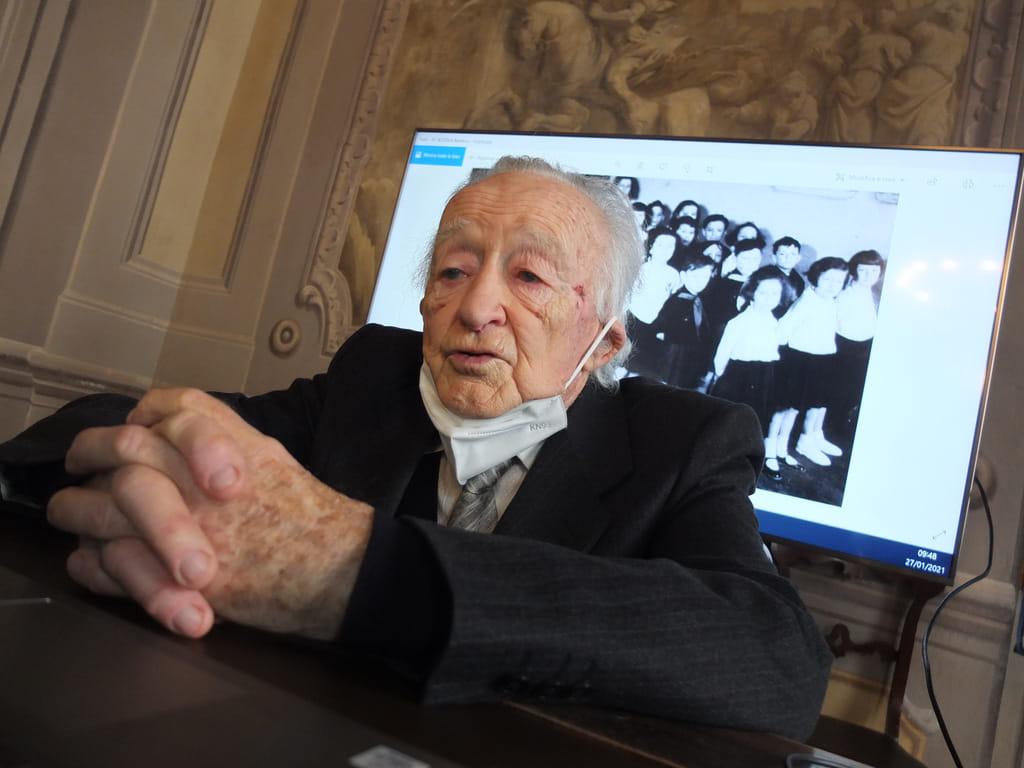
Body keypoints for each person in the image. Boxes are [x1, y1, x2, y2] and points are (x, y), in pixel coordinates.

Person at [0, 157, 830, 739]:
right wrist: (149, 466)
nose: (476, 309)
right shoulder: (375, 378)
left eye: (530, 279)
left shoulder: (679, 445)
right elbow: (103, 423)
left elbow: (775, 662)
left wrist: (356, 568)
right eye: (452, 270)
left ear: (604, 343)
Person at [711, 268, 791, 479]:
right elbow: (723, 352)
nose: (768, 299)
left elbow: (778, 346)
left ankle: (746, 456)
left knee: (758, 416)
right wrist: (720, 375)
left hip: (765, 374)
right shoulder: (739, 321)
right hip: (739, 375)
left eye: (775, 294)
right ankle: (721, 457)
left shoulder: (775, 322)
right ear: (752, 292)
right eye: (763, 293)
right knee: (733, 418)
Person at [776, 257, 849, 467]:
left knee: (819, 403)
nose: (832, 286)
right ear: (817, 277)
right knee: (793, 407)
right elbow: (782, 330)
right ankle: (785, 446)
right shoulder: (807, 301)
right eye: (827, 279)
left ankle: (812, 437)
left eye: (838, 281)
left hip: (823, 358)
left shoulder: (831, 301)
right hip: (801, 360)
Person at [835, 249, 884, 434]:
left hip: (864, 348)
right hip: (843, 348)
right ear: (855, 270)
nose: (868, 275)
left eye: (873, 271)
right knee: (839, 391)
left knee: (854, 392)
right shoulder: (844, 294)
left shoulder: (875, 295)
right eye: (863, 270)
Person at [651, 251, 717, 391]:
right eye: (696, 276)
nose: (701, 281)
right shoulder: (676, 300)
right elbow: (660, 325)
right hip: (674, 357)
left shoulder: (699, 300)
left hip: (690, 358)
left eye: (705, 277)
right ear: (683, 275)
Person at [627, 227, 684, 382]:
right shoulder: (640, 268)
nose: (665, 250)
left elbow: (673, 302)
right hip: (633, 322)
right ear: (651, 246)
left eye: (670, 246)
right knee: (624, 365)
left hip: (656, 326)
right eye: (661, 245)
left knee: (643, 369)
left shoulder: (674, 274)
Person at [769, 236, 806, 318]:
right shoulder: (767, 277)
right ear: (774, 257)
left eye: (792, 254)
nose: (788, 258)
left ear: (798, 258)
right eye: (782, 254)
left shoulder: (799, 280)